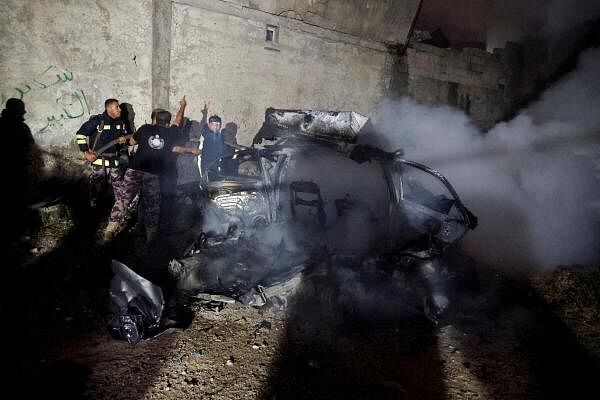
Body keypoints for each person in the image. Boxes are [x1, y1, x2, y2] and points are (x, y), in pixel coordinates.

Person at [106, 109, 199, 243]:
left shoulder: (144, 129)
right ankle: (151, 238)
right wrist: (183, 106)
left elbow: (131, 142)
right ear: (168, 123)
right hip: (152, 175)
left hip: (134, 170)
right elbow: (178, 125)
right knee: (153, 205)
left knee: (124, 198)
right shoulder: (171, 132)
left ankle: (109, 230)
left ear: (155, 119)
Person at [75, 98, 128, 213]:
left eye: (119, 107)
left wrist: (124, 140)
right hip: (99, 161)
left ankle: (118, 215)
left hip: (114, 161)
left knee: (119, 188)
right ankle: (94, 215)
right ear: (109, 108)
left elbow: (123, 139)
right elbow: (80, 135)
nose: (120, 110)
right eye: (117, 107)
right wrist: (85, 152)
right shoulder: (98, 121)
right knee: (97, 189)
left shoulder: (120, 122)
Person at [200, 114, 228, 181]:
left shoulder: (218, 135)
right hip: (208, 168)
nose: (216, 126)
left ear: (220, 126)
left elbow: (204, 124)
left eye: (218, 124)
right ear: (209, 125)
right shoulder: (208, 134)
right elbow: (223, 151)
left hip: (215, 166)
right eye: (213, 124)